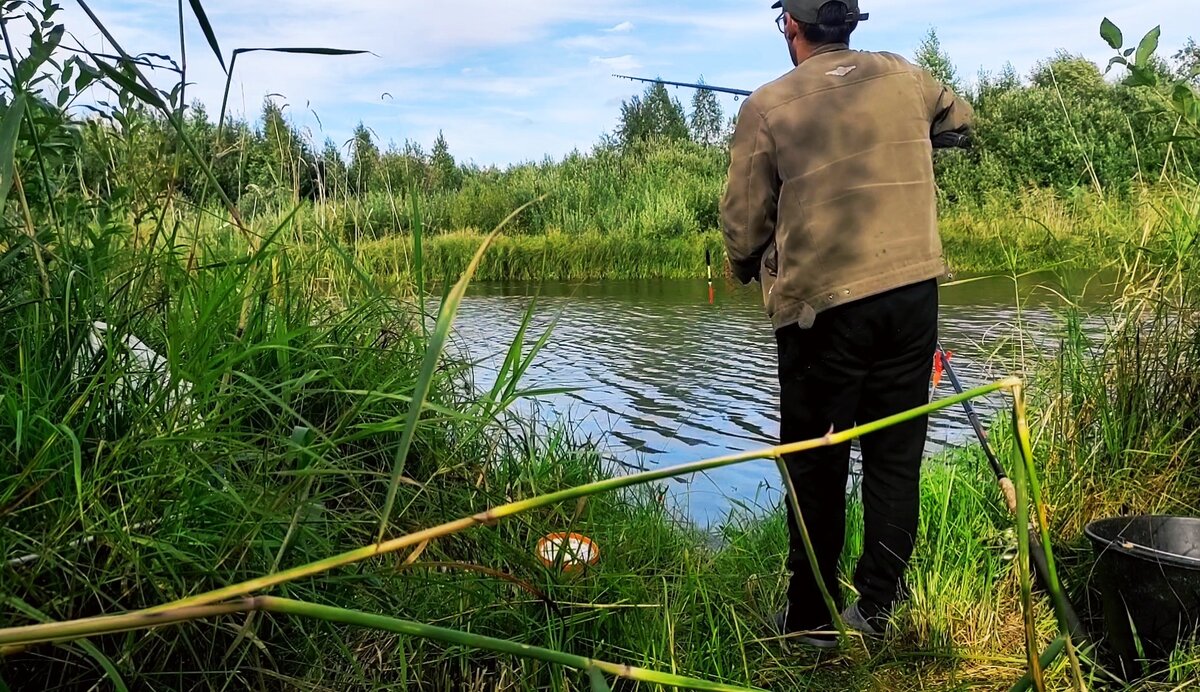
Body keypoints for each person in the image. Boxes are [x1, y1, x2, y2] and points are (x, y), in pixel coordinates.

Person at [719, 0, 974, 647]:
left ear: (792, 28)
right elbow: (960, 123)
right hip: (913, 295)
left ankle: (810, 620)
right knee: (895, 460)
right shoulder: (908, 78)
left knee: (815, 465)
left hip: (821, 312)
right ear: (853, 22)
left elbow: (744, 229)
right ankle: (879, 613)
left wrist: (745, 264)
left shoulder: (767, 106)